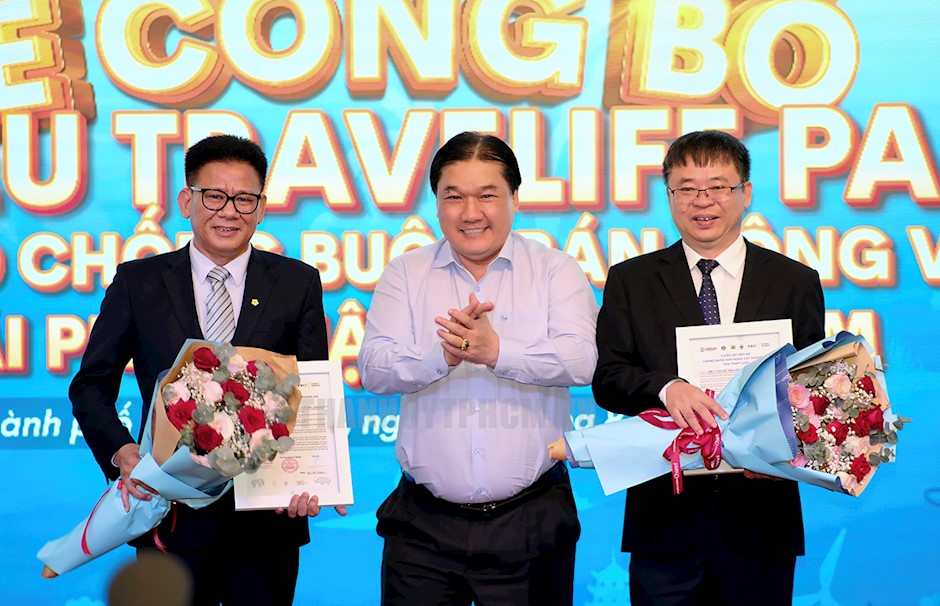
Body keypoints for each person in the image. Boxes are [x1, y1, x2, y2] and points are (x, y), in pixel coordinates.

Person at [70, 134, 337, 605]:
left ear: (261, 208)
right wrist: (122, 453)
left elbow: (310, 391)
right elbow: (90, 385)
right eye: (214, 196)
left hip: (266, 525)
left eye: (244, 199)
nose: (229, 211)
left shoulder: (297, 282)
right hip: (169, 519)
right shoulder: (139, 282)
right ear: (186, 201)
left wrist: (311, 479)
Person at [359, 131, 599, 605]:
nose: (470, 213)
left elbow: (582, 360)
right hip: (422, 529)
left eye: (487, 195)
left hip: (530, 521)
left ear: (515, 198)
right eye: (454, 197)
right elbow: (374, 369)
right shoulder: (405, 273)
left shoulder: (555, 270)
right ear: (437, 203)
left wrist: (497, 352)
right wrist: (443, 356)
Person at [592, 130, 826, 605]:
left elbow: (811, 393)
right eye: (687, 188)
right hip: (664, 521)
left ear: (746, 192)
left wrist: (790, 456)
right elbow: (608, 380)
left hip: (762, 521)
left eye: (718, 186)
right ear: (669, 195)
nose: (703, 201)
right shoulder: (631, 280)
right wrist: (665, 388)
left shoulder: (794, 281)